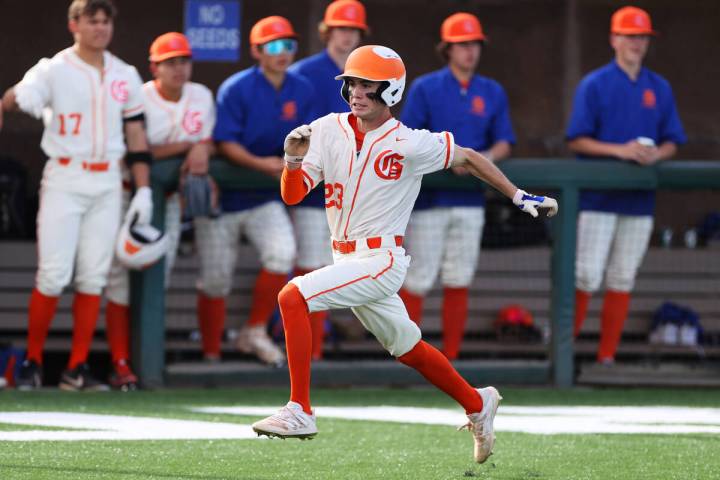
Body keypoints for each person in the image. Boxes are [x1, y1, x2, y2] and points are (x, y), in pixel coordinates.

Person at [251, 45, 557, 464]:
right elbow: (293, 194)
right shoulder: (326, 128)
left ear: (391, 91)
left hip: (383, 260)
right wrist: (291, 161)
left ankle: (300, 410)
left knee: (293, 295)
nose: (356, 92)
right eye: (352, 83)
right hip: (347, 259)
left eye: (367, 84)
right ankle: (477, 403)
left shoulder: (410, 142)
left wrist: (520, 196)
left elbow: (468, 156)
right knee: (408, 348)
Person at [0, 0, 154, 390]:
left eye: (105, 21)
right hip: (65, 177)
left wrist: (144, 188)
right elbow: (16, 96)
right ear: (74, 25)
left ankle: (76, 368)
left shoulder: (125, 74)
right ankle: (32, 363)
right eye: (92, 21)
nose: (100, 28)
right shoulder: (53, 68)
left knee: (93, 276)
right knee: (53, 274)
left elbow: (136, 134)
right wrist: (17, 99)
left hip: (106, 182)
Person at [567, 6, 686, 364]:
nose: (637, 43)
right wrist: (620, 151)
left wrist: (656, 156)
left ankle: (607, 358)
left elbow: (672, 140)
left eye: (642, 37)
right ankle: (563, 353)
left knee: (622, 277)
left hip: (638, 201)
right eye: (630, 36)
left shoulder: (658, 86)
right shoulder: (595, 83)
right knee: (586, 275)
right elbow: (576, 138)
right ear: (614, 39)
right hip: (596, 199)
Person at [398, 12, 515, 360]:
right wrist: (449, 157)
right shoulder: (426, 86)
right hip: (430, 198)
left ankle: (451, 357)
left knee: (459, 277)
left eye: (474, 44)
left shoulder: (491, 90)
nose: (469, 51)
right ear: (447, 49)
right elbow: (407, 139)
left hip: (471, 200)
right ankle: (404, 355)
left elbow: (505, 142)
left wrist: (480, 158)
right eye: (462, 45)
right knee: (418, 278)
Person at [200, 15, 316, 365]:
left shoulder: (303, 88)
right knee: (215, 279)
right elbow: (224, 142)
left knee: (282, 253)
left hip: (265, 198)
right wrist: (263, 165)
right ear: (256, 50)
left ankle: (253, 330)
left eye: (289, 45)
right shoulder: (236, 88)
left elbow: (311, 137)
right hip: (226, 198)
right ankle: (209, 354)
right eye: (274, 46)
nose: (283, 53)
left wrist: (290, 162)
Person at [103, 32, 216, 388]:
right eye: (170, 62)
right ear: (154, 66)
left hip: (167, 200)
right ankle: (121, 363)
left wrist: (201, 150)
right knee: (119, 280)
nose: (178, 68)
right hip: (126, 195)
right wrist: (187, 146)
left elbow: (207, 141)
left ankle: (143, 361)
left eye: (183, 61)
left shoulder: (201, 95)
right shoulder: (141, 96)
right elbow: (136, 149)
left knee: (159, 278)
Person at [288, 0, 369, 360]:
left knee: (344, 269)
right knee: (311, 268)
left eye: (352, 30)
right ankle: (311, 353)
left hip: (355, 190)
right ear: (327, 32)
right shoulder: (304, 72)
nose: (346, 35)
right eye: (340, 29)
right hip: (315, 185)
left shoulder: (371, 72)